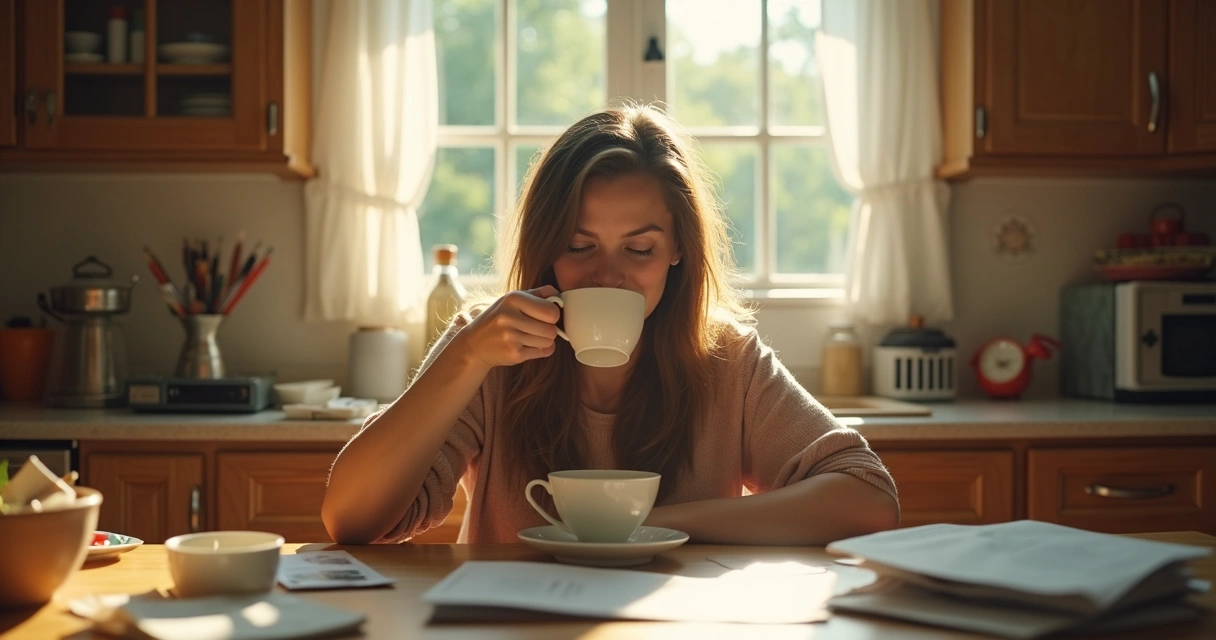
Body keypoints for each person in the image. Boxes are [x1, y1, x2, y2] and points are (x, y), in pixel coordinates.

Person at [322, 103, 899, 546]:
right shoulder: (492, 350)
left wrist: (654, 526)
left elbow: (869, 500)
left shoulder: (724, 356)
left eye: (639, 250)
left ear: (678, 249)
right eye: (580, 245)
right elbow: (351, 520)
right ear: (547, 248)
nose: (608, 276)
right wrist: (465, 357)